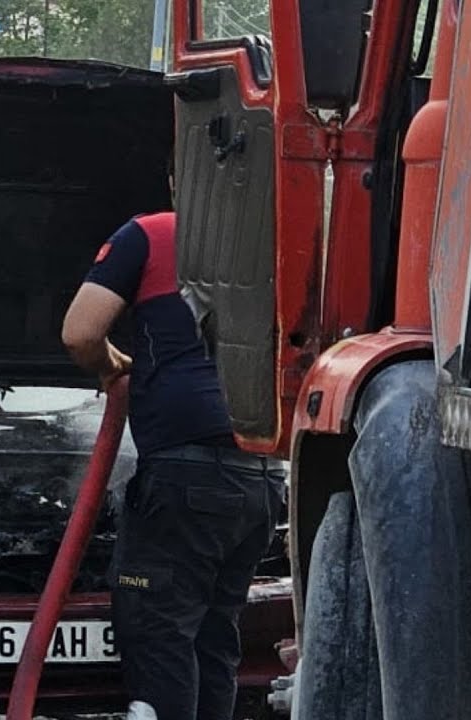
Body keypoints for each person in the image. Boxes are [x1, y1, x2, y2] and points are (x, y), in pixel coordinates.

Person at [61, 201, 284, 720]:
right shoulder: (280, 241)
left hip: (188, 475)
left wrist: (113, 364)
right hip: (262, 476)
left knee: (159, 630)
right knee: (213, 634)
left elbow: (80, 333)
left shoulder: (151, 233)